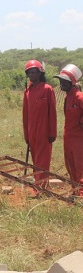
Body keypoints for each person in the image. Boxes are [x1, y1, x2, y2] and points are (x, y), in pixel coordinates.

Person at [22, 60, 57, 194]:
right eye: (29, 72)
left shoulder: (48, 89)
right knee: (35, 159)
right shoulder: (27, 91)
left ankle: (41, 187)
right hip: (32, 131)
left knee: (43, 160)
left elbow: (52, 113)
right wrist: (26, 135)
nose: (31, 74)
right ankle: (38, 184)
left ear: (40, 73)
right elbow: (25, 115)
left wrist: (52, 132)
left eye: (34, 72)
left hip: (44, 131)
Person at [54, 64, 83, 196]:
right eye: (60, 81)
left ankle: (81, 194)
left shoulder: (79, 96)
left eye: (65, 81)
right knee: (70, 166)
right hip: (68, 137)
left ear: (72, 82)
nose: (62, 84)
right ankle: (75, 191)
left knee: (80, 167)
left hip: (79, 139)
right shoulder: (67, 97)